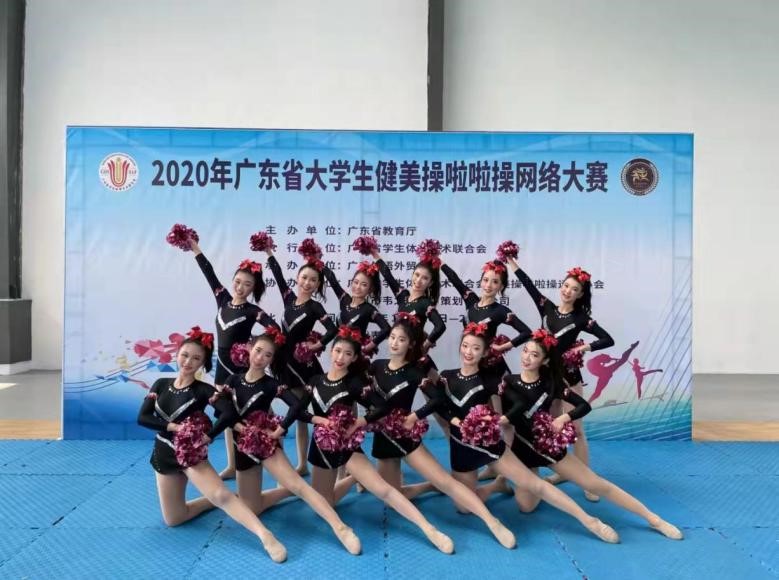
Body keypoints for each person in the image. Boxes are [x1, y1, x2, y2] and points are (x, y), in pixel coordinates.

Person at [429, 324, 620, 544]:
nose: (468, 352)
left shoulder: (492, 380)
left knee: (535, 485)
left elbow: (519, 403)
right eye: (465, 346)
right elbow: (440, 405)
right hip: (460, 447)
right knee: (463, 508)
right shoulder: (446, 377)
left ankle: (589, 521)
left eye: (475, 348)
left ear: (485, 352)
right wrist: (454, 420)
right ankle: (496, 485)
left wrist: (501, 419)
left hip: (490, 447)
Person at [497, 329, 683, 540]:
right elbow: (506, 419)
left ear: (545, 360)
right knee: (526, 507)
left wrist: (562, 418)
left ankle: (654, 519)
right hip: (522, 448)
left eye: (534, 354)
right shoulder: (509, 381)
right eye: (525, 351)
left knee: (596, 484)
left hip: (548, 446)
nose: (527, 358)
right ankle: (537, 482)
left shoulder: (552, 383)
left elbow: (583, 406)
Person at [296, 328, 455, 554]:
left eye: (347, 354)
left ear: (354, 358)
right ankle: (354, 478)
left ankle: (430, 530)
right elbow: (297, 410)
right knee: (323, 503)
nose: (341, 357)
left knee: (384, 490)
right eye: (338, 351)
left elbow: (383, 406)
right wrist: (317, 419)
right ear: (330, 351)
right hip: (321, 445)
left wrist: (360, 422)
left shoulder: (354, 383)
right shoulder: (315, 380)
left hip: (346, 444)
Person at [363, 317, 516, 549]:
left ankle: (492, 522)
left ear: (410, 344)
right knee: (392, 497)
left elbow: (437, 399)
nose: (394, 343)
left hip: (407, 438)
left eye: (401, 339)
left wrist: (414, 416)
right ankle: (429, 486)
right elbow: (359, 388)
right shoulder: (376, 366)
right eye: (392, 337)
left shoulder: (415, 372)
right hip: (383, 439)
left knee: (446, 482)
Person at [137, 328, 287, 562]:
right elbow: (143, 418)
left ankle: (265, 535)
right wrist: (174, 427)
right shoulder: (160, 384)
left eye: (196, 358)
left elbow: (228, 414)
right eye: (185, 355)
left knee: (221, 495)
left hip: (190, 452)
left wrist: (209, 436)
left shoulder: (204, 390)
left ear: (203, 363)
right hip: (163, 452)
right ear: (177, 354)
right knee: (174, 519)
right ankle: (212, 501)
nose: (188, 362)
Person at [214, 332, 361, 555]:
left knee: (299, 485)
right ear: (249, 349)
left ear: (272, 360)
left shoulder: (272, 384)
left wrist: (280, 429)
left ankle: (341, 528)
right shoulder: (232, 380)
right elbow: (221, 411)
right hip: (242, 446)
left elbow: (297, 406)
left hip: (265, 443)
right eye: (258, 351)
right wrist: (241, 429)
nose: (260, 358)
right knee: (252, 508)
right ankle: (286, 492)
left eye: (267, 355)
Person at [188, 238, 280, 479]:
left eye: (247, 285)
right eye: (238, 282)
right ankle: (232, 464)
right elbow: (209, 273)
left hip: (241, 370)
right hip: (222, 371)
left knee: (261, 413)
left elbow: (275, 330)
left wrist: (252, 346)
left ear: (253, 288)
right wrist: (195, 248)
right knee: (228, 415)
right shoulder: (222, 298)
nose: (240, 287)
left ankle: (275, 456)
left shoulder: (253, 311)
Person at [265, 245, 337, 475]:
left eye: (313, 280)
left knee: (315, 413)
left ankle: (331, 460)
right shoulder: (288, 298)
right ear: (297, 278)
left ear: (318, 285)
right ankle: (302, 464)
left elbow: (333, 329)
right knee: (297, 413)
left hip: (305, 366)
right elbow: (277, 275)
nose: (307, 283)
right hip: (284, 363)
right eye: (304, 277)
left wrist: (317, 345)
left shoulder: (315, 306)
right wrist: (268, 252)